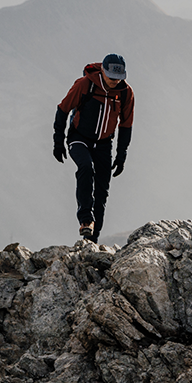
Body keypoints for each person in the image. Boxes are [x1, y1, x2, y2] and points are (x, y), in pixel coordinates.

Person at [53, 54, 134, 243]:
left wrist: (122, 155)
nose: (115, 81)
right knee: (85, 167)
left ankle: (92, 241)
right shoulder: (85, 84)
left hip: (104, 144)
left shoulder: (125, 93)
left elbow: (126, 125)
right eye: (111, 77)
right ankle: (86, 220)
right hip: (79, 138)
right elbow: (63, 109)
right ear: (103, 72)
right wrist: (58, 142)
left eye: (119, 77)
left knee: (102, 192)